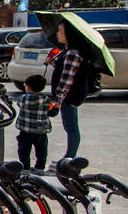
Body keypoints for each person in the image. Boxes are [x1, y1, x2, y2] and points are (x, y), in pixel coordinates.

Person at [47, 21, 90, 160]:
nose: (57, 34)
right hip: (69, 97)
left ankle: (70, 158)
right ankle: (70, 156)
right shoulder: (68, 50)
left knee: (71, 128)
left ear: (68, 34)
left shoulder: (72, 52)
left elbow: (67, 80)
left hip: (69, 97)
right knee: (70, 127)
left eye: (60, 31)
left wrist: (58, 100)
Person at [15, 74, 54, 169]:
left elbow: (19, 104)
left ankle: (25, 167)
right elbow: (52, 113)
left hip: (25, 129)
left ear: (27, 87)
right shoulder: (47, 100)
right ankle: (40, 167)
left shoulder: (22, 99)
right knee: (41, 150)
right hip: (41, 129)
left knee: (24, 150)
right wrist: (57, 107)